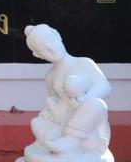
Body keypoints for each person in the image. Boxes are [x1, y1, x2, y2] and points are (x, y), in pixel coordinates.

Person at [20, 25, 110, 160]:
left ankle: (72, 141)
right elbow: (55, 101)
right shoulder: (50, 76)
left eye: (51, 41)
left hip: (87, 121)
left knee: (97, 104)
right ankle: (65, 145)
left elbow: (104, 86)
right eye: (43, 49)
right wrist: (51, 113)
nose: (51, 49)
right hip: (64, 122)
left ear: (58, 36)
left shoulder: (84, 63)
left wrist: (85, 99)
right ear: (38, 55)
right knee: (36, 122)